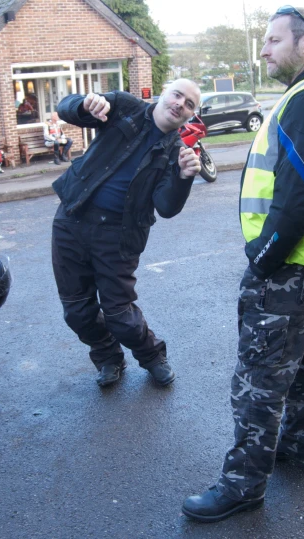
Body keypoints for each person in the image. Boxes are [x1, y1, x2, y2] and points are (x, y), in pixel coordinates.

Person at [182, 6, 304, 522]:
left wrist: (263, 257)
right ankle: (302, 445)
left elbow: (298, 194)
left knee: (260, 373)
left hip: (293, 264)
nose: (263, 50)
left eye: (273, 40)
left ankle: (243, 484)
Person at [51, 80, 201, 388]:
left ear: (190, 116)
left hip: (118, 235)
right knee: (77, 310)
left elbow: (167, 206)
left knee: (120, 314)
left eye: (189, 105)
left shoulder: (176, 152)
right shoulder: (123, 107)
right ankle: (107, 357)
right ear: (164, 92)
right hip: (72, 218)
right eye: (177, 95)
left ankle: (152, 356)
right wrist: (85, 104)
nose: (180, 104)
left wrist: (184, 177)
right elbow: (67, 109)